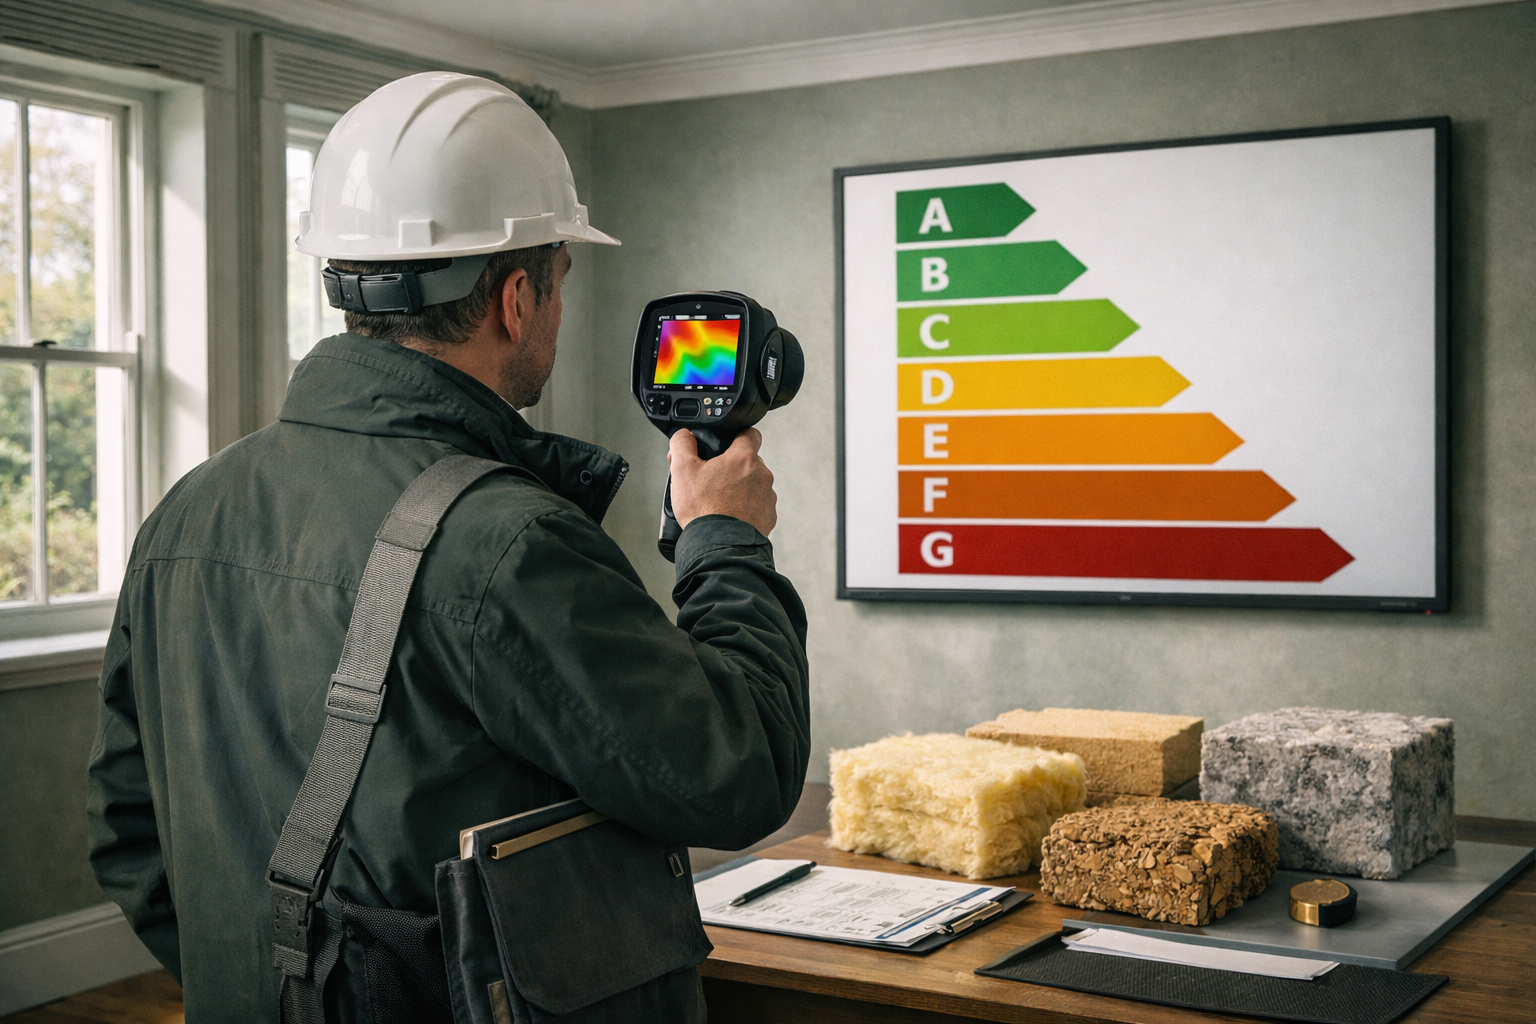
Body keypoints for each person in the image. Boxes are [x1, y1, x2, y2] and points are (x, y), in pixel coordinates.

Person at [86, 72, 810, 1023]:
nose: (555, 312)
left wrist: (273, 987)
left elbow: (125, 825)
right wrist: (724, 539)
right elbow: (737, 772)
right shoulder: (505, 539)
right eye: (558, 285)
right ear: (517, 295)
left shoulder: (187, 510)